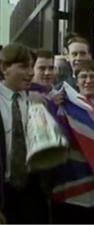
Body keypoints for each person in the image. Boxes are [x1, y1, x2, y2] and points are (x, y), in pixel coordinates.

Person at [0, 43, 49, 223]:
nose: (30, 73)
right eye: (23, 66)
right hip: (4, 191)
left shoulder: (37, 100)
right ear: (4, 67)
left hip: (32, 189)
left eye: (31, 66)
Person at [64, 35, 94, 99]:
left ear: (90, 56)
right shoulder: (61, 88)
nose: (79, 58)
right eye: (74, 54)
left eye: (83, 53)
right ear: (67, 57)